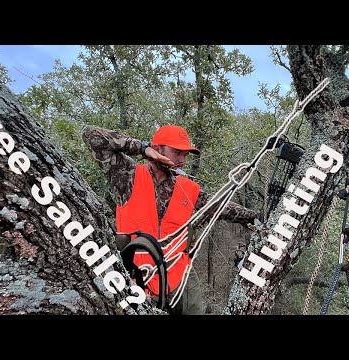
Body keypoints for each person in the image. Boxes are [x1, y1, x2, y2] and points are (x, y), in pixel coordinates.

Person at [82, 124, 258, 315]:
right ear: (157, 149)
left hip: (180, 275)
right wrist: (142, 147)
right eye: (177, 152)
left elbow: (221, 207)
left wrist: (254, 217)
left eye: (186, 155)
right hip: (138, 276)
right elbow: (90, 135)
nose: (182, 160)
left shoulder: (187, 188)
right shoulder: (128, 176)